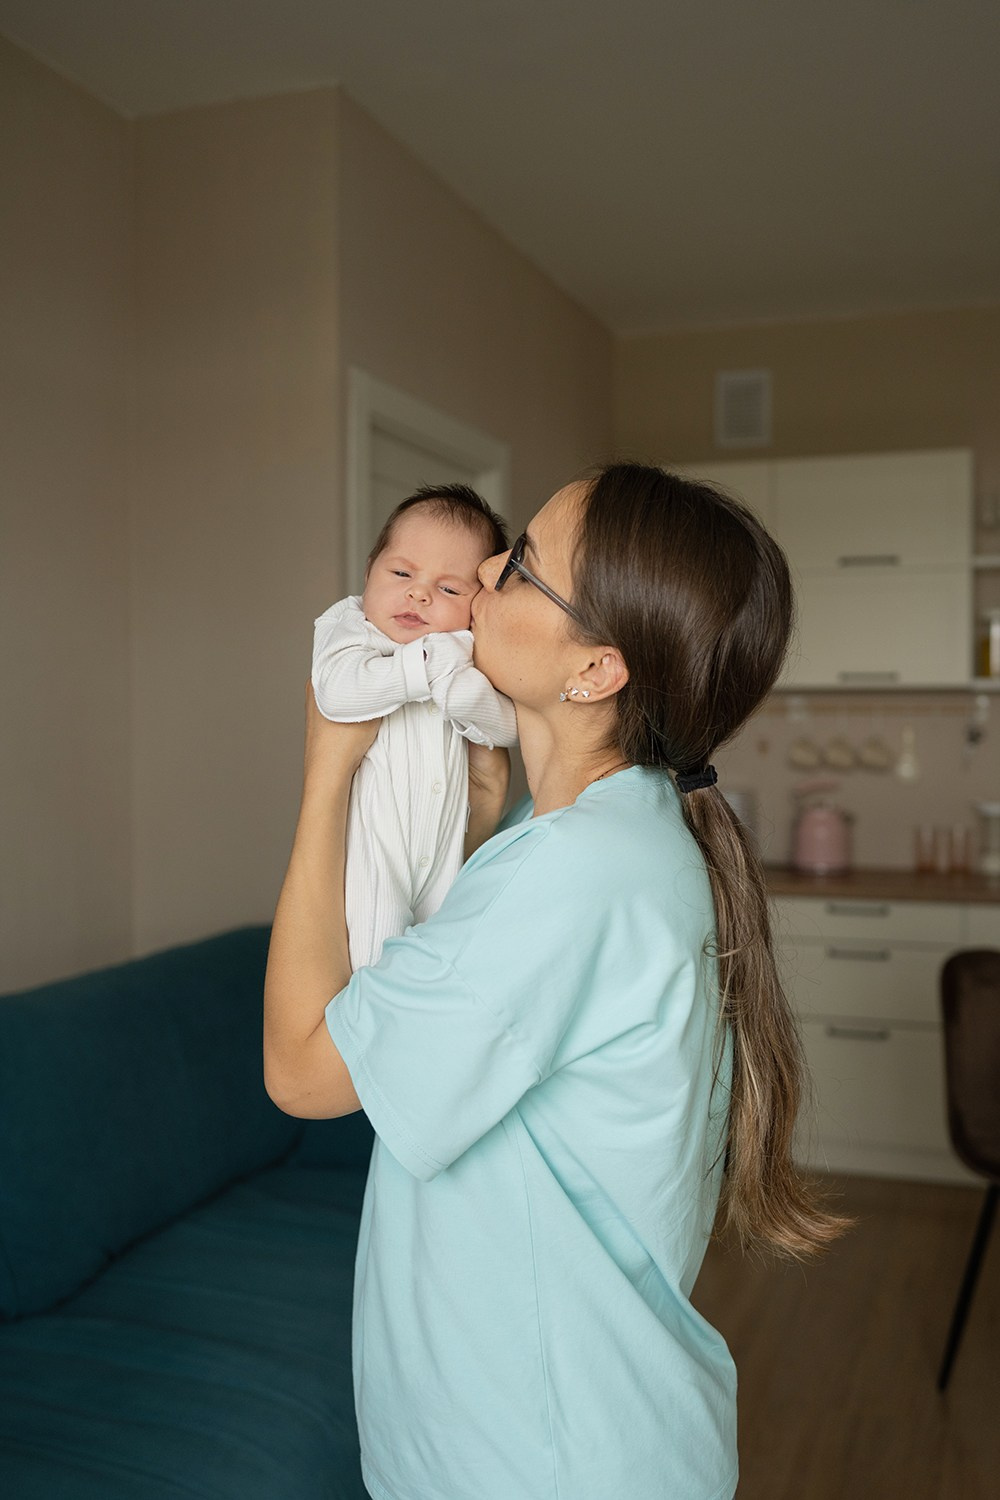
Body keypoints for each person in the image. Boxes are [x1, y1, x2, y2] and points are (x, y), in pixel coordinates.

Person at [264, 462, 846, 1500]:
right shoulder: (591, 836)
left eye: (523, 563)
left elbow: (303, 1074)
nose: (485, 568)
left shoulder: (570, 873)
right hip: (567, 1439)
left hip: (537, 1463)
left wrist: (325, 776)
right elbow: (465, 1002)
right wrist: (476, 832)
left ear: (596, 670)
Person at [311, 484, 518, 969]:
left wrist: (459, 686)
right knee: (375, 964)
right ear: (369, 572)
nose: (419, 593)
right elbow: (335, 694)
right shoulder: (352, 628)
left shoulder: (465, 654)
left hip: (445, 853)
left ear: (476, 607)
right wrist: (427, 665)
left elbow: (506, 728)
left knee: (443, 962)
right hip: (373, 856)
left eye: (449, 589)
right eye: (402, 573)